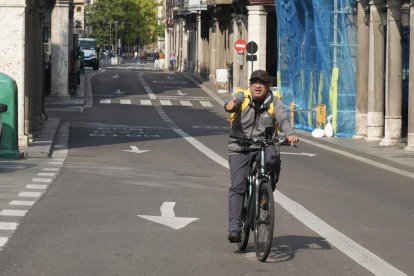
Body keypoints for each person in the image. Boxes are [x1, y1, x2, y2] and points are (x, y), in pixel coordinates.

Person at [224, 69, 299, 243]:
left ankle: (265, 192)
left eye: (262, 83)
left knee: (273, 160)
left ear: (268, 86)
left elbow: (282, 118)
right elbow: (233, 103)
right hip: (239, 146)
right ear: (250, 85)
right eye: (255, 82)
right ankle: (235, 228)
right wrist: (230, 105)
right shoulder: (243, 97)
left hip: (264, 145)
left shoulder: (274, 101)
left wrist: (289, 133)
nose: (258, 86)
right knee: (238, 186)